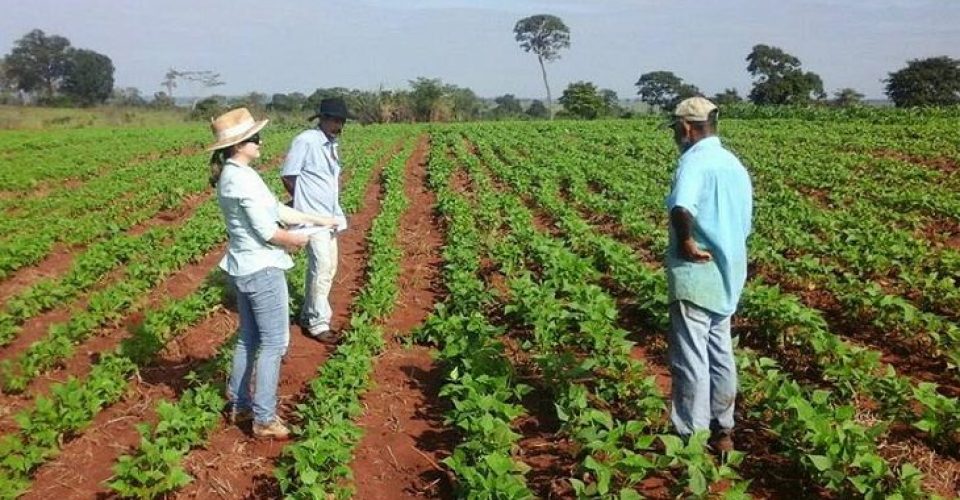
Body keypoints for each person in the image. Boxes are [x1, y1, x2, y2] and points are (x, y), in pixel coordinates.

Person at [208, 107, 337, 439]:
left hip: (244, 265)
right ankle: (264, 417)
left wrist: (319, 219)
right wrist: (297, 240)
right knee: (274, 343)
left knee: (249, 338)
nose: (260, 141)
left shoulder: (237, 174)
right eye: (255, 138)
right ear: (240, 144)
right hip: (262, 268)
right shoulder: (240, 177)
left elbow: (276, 209)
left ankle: (239, 403)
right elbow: (268, 230)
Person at [663, 97, 753, 452]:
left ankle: (690, 436)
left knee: (690, 357)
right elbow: (744, 225)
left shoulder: (694, 162)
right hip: (728, 272)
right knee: (720, 351)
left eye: (676, 129)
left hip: (696, 274)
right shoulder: (734, 165)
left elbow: (681, 206)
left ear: (686, 128)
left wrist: (685, 241)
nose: (675, 135)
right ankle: (723, 429)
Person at [280, 97, 351, 342]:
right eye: (335, 120)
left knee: (329, 267)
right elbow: (289, 176)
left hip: (330, 217)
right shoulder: (306, 141)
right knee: (320, 267)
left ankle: (310, 313)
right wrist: (302, 207)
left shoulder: (331, 144)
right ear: (322, 119)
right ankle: (317, 323)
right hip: (313, 219)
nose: (339, 125)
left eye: (342, 121)